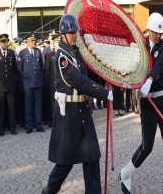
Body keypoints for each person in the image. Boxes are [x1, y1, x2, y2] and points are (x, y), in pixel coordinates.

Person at [41, 14, 113, 194]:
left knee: (92, 157)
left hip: (82, 111)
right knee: (65, 162)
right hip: (69, 115)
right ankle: (49, 190)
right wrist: (105, 93)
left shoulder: (76, 52)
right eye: (71, 32)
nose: (74, 35)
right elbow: (78, 80)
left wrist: (108, 72)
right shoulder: (62, 57)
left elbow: (90, 73)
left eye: (75, 32)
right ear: (63, 34)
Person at [120, 13, 163, 194]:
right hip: (148, 102)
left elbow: (159, 64)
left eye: (160, 32)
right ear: (148, 30)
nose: (158, 35)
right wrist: (136, 84)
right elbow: (132, 66)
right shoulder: (140, 47)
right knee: (147, 147)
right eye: (155, 32)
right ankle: (126, 173)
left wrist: (149, 80)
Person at [17, 31, 45, 134]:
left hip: (38, 81)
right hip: (28, 82)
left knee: (38, 105)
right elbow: (19, 68)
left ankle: (38, 125)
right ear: (28, 42)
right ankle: (29, 126)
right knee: (28, 105)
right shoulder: (22, 53)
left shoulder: (38, 51)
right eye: (32, 41)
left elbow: (41, 65)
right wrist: (26, 75)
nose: (34, 42)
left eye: (34, 40)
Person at [0, 34, 17, 136]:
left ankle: (12, 127)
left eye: (6, 41)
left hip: (10, 84)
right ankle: (1, 128)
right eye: (2, 42)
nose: (4, 43)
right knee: (1, 108)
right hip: (0, 85)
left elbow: (15, 69)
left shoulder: (11, 53)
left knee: (11, 108)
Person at [46, 33, 61, 125]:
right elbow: (48, 69)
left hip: (63, 82)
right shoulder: (49, 55)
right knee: (54, 102)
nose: (58, 44)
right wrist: (53, 78)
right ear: (54, 44)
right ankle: (55, 121)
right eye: (57, 43)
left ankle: (63, 120)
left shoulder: (64, 53)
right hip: (54, 82)